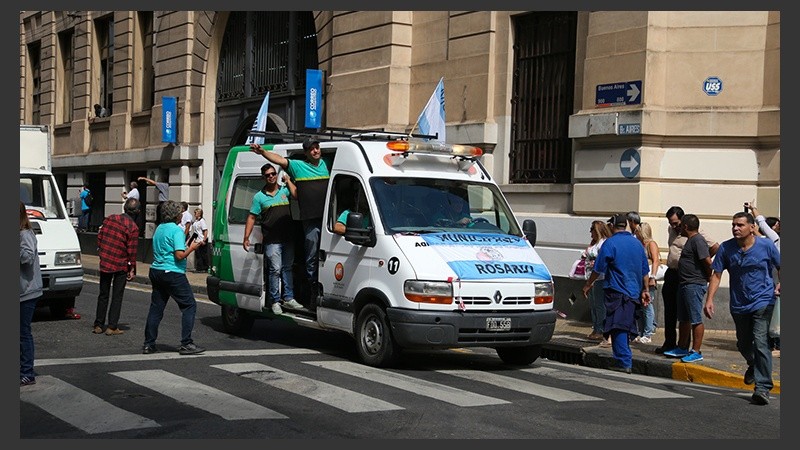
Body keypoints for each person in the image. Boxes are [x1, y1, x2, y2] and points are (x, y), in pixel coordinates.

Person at [703, 212, 780, 405]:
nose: (735, 228)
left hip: (763, 301)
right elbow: (717, 274)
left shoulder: (766, 246)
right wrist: (709, 299)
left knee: (761, 342)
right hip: (739, 304)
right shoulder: (726, 248)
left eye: (740, 225)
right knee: (744, 343)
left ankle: (762, 388)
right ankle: (753, 364)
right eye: (733, 225)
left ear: (752, 227)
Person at [250, 138, 332, 299]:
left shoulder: (327, 163)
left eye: (317, 147)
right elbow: (279, 160)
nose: (316, 151)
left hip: (328, 219)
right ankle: (312, 290)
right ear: (306, 153)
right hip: (310, 219)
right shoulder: (299, 166)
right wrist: (263, 152)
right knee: (311, 255)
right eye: (312, 149)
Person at [582, 214, 650, 373]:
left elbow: (598, 268)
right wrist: (645, 290)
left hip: (617, 291)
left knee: (618, 325)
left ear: (612, 226)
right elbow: (644, 270)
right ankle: (624, 358)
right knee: (625, 325)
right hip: (633, 292)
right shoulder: (637, 244)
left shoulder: (610, 243)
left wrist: (588, 284)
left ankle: (624, 361)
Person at [142, 200, 206, 355]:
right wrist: (192, 247)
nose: (181, 215)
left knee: (156, 308)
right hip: (173, 272)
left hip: (156, 270)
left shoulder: (159, 229)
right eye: (180, 213)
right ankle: (186, 343)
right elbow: (179, 255)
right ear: (176, 215)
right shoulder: (177, 230)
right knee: (189, 305)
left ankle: (148, 344)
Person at [655, 206, 719, 355]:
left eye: (676, 223)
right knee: (672, 311)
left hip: (688, 277)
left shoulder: (697, 235)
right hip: (672, 273)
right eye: (671, 223)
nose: (674, 226)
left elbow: (715, 247)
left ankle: (687, 345)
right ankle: (670, 343)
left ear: (684, 222)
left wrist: (699, 262)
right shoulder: (672, 230)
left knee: (689, 313)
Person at [243, 164, 303, 315]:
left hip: (288, 237)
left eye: (273, 174)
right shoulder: (259, 197)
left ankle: (289, 298)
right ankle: (275, 301)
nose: (271, 177)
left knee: (287, 267)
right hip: (272, 240)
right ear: (263, 177)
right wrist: (246, 237)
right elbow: (251, 217)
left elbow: (296, 195)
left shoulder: (284, 190)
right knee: (275, 270)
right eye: (268, 175)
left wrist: (288, 181)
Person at [93, 198, 140, 335]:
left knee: (103, 294)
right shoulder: (133, 228)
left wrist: (102, 252)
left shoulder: (110, 219)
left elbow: (100, 237)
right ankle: (112, 326)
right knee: (117, 296)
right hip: (120, 263)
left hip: (106, 260)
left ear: (124, 208)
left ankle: (98, 324)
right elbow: (132, 251)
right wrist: (132, 269)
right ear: (137, 212)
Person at [749, 202, 780, 357]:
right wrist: (753, 209)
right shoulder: (775, 241)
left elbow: (762, 226)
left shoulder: (773, 241)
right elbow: (762, 224)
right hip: (776, 285)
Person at [20, 201, 43, 386]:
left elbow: (27, 258)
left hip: (26, 292)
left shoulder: (25, 234)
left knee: (23, 333)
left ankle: (27, 372)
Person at [583, 220, 612, 341]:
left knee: (599, 305)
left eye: (592, 230)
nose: (590, 233)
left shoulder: (603, 243)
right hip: (591, 276)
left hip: (600, 278)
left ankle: (601, 329)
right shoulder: (595, 243)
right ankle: (596, 327)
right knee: (593, 305)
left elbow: (602, 263)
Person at [633, 222, 659, 344]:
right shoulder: (638, 244)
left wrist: (653, 277)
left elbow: (655, 261)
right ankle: (641, 332)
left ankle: (648, 333)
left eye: (638, 231)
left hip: (649, 279)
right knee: (640, 307)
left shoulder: (651, 244)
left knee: (647, 306)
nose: (635, 233)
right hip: (639, 278)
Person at [191, 208, 209, 273]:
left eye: (195, 213)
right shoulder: (196, 221)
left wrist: (204, 239)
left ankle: (204, 268)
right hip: (197, 239)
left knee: (202, 254)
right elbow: (196, 232)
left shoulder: (202, 221)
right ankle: (199, 267)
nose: (194, 214)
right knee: (198, 254)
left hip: (201, 239)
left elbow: (205, 230)